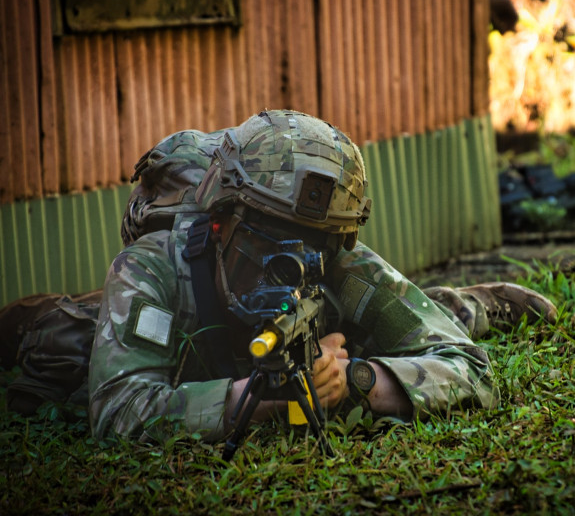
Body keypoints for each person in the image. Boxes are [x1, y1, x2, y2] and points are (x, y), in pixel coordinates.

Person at [89, 110, 557, 444]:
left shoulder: (333, 259)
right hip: (179, 343)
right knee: (56, 341)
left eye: (311, 248)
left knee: (382, 324)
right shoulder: (151, 267)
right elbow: (118, 409)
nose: (287, 262)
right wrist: (260, 402)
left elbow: (473, 371)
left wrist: (355, 381)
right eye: (261, 243)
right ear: (220, 221)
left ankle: (459, 306)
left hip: (332, 334)